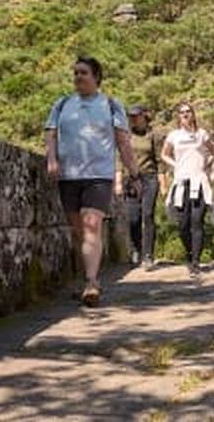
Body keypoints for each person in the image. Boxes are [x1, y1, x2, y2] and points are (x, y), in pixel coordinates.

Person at [45, 55, 140, 307]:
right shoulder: (63, 104)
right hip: (69, 175)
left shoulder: (110, 105)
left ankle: (91, 283)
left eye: (83, 73)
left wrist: (134, 173)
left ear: (96, 77)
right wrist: (52, 159)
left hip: (99, 175)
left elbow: (123, 142)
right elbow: (51, 133)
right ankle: (88, 277)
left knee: (91, 225)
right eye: (75, 73)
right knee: (78, 232)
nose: (78, 77)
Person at [160, 101, 214, 278]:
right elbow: (164, 154)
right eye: (182, 112)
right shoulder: (174, 135)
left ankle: (196, 262)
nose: (185, 115)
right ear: (178, 116)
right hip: (181, 183)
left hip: (198, 182)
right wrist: (175, 164)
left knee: (196, 221)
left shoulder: (202, 134)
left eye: (188, 112)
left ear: (193, 114)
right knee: (183, 224)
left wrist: (207, 166)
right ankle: (189, 254)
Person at [114, 105, 164, 271]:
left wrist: (163, 182)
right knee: (133, 218)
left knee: (148, 215)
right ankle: (137, 249)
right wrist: (119, 181)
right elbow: (120, 158)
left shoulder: (153, 135)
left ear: (144, 116)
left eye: (136, 116)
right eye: (131, 116)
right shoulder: (126, 135)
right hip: (131, 179)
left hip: (149, 178)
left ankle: (148, 255)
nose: (133, 119)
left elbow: (159, 160)